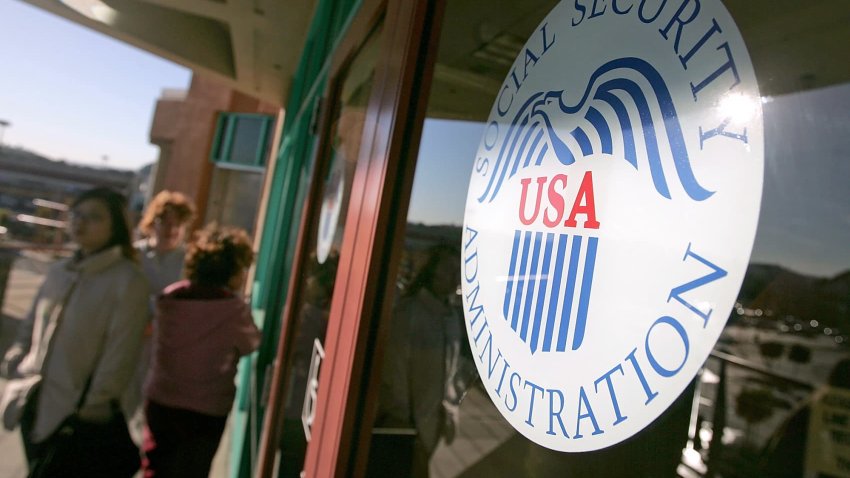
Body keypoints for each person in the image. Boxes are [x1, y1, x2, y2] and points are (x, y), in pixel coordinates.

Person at [0, 187, 150, 476]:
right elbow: (31, 324)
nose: (80, 223)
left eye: (94, 217)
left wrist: (94, 403)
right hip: (33, 400)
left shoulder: (128, 281)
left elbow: (120, 352)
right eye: (76, 215)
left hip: (78, 414)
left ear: (115, 227)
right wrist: (18, 358)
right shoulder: (59, 272)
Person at [142, 224, 261, 478]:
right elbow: (250, 343)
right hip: (206, 407)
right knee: (193, 470)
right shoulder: (233, 309)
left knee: (157, 466)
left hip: (162, 399)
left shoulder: (170, 298)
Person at [376, 243, 463, 477]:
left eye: (458, 269)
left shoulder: (452, 318)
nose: (456, 276)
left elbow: (452, 371)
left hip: (435, 426)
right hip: (407, 427)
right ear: (432, 271)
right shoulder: (410, 314)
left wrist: (451, 411)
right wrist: (403, 419)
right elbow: (395, 370)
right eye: (449, 269)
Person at [125, 190, 196, 443]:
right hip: (127, 339)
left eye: (177, 224)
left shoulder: (188, 261)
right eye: (164, 221)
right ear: (152, 223)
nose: (171, 229)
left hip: (166, 346)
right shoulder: (133, 255)